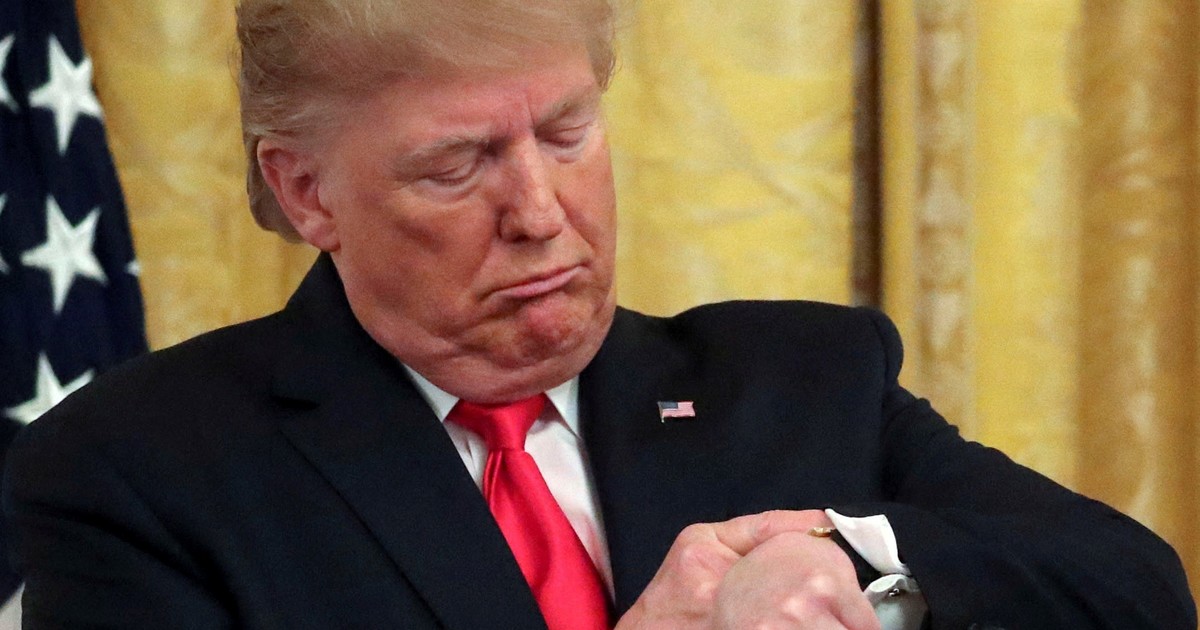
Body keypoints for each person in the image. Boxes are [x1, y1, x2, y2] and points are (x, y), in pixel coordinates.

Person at [3, 0, 1195, 628]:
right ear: (306, 191)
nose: (540, 212)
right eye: (457, 165)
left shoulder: (802, 375)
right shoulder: (139, 471)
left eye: (567, 132)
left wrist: (851, 567)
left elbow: (1134, 589)